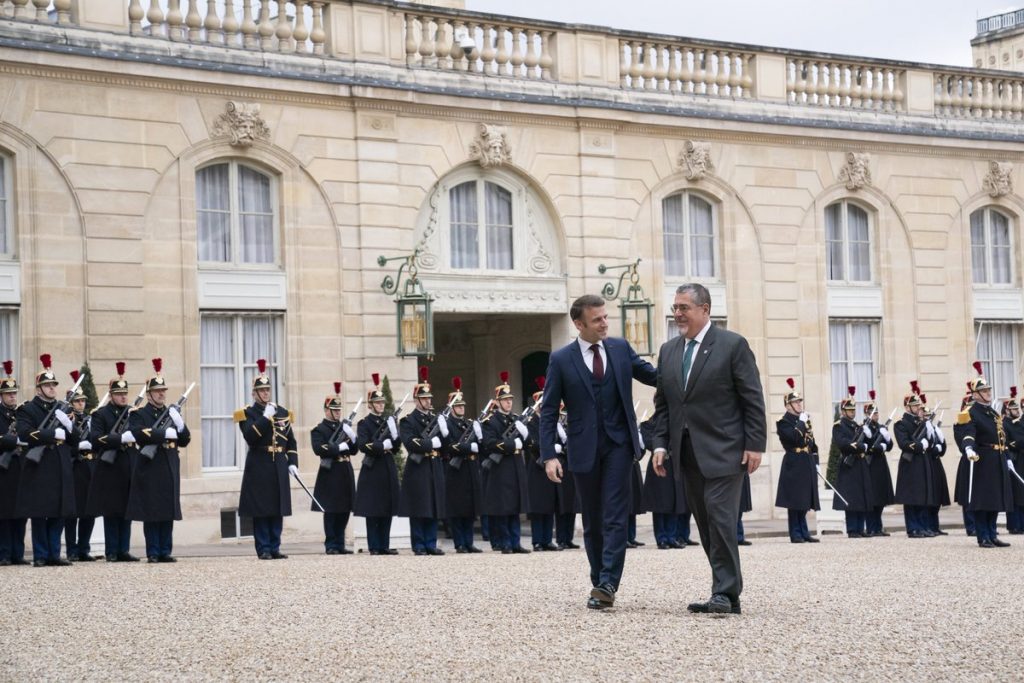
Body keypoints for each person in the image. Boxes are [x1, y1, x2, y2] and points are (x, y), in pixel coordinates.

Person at [652, 284, 766, 616]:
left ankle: (724, 591)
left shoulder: (732, 345)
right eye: (675, 308)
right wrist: (659, 445)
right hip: (686, 454)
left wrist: (755, 444)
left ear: (705, 310)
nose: (678, 314)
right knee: (704, 523)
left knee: (720, 518)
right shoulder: (669, 351)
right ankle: (728, 595)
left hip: (725, 451)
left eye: (684, 307)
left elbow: (752, 399)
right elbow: (664, 407)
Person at [540, 294, 657, 610]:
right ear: (579, 324)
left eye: (606, 317)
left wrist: (688, 374)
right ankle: (599, 580)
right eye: (597, 320)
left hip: (619, 445)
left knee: (615, 514)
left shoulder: (619, 349)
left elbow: (653, 376)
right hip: (583, 448)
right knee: (591, 518)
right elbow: (548, 409)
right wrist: (548, 454)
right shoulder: (562, 360)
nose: (605, 323)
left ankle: (608, 582)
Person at [15, 354, 77, 567]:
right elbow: (24, 433)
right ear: (38, 388)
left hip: (60, 464)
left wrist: (68, 427)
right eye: (47, 385)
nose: (52, 388)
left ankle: (54, 553)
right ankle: (41, 554)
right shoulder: (27, 409)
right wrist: (52, 435)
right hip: (39, 466)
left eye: (53, 384)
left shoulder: (64, 408)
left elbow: (75, 439)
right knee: (40, 511)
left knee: (59, 510)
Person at [127, 358, 191, 563]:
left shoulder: (170, 412)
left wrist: (180, 425)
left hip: (169, 464)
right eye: (157, 391)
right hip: (150, 466)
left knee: (167, 509)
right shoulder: (140, 413)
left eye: (163, 390)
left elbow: (185, 440)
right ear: (149, 394)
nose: (162, 393)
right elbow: (138, 433)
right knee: (152, 510)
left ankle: (165, 550)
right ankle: (153, 551)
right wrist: (163, 434)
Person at [236, 359, 297, 560]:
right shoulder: (247, 413)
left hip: (278, 461)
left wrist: (293, 462)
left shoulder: (281, 411)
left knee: (277, 506)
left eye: (267, 389)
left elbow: (291, 440)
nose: (265, 393)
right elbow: (250, 436)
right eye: (261, 390)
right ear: (254, 393)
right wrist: (265, 417)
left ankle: (275, 545)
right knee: (261, 508)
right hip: (259, 462)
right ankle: (263, 548)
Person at [954, 362, 1013, 548]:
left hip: (997, 459)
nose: (988, 392)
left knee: (995, 499)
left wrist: (1008, 457)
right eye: (984, 390)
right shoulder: (969, 412)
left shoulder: (993, 413)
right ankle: (983, 535)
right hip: (982, 459)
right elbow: (967, 432)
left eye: (988, 389)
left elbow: (1002, 436)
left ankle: (992, 533)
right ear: (975, 394)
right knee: (983, 500)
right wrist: (968, 448)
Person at [87, 362, 140, 562]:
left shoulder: (132, 413)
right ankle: (111, 551)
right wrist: (119, 439)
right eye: (119, 394)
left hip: (128, 465)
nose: (123, 397)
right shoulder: (100, 414)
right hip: (110, 468)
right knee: (111, 511)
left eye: (125, 393)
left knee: (127, 510)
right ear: (111, 395)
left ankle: (123, 549)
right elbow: (96, 439)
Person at [398, 366, 447, 556]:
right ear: (416, 400)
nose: (428, 401)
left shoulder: (436, 419)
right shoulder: (408, 421)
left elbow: (446, 445)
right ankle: (419, 544)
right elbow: (410, 443)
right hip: (418, 467)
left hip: (434, 466)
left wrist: (445, 431)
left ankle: (430, 543)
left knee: (434, 505)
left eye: (429, 398)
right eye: (424, 398)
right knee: (419, 506)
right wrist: (429, 443)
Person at [480, 371, 530, 555]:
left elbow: (529, 444)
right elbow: (489, 443)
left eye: (510, 399)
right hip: (501, 469)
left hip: (516, 467)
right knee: (503, 508)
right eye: (505, 400)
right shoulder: (491, 421)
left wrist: (525, 435)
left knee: (515, 507)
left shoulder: (516, 419)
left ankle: (515, 542)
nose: (509, 402)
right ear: (498, 401)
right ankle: (505, 542)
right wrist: (511, 445)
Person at [354, 374, 401, 556]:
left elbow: (396, 446)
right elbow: (363, 445)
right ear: (370, 405)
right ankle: (374, 545)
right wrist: (382, 445)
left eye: (382, 402)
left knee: (387, 508)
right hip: (373, 469)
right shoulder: (364, 423)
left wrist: (395, 434)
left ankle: (384, 544)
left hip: (387, 466)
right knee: (373, 508)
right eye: (378, 402)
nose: (381, 405)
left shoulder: (387, 421)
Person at [311, 383, 357, 555]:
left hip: (345, 470)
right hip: (330, 472)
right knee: (331, 510)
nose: (338, 412)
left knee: (344, 509)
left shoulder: (343, 427)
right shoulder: (319, 429)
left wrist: (352, 436)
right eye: (334, 410)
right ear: (326, 410)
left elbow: (354, 449)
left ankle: (340, 543)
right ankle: (331, 544)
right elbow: (319, 449)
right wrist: (338, 448)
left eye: (339, 410)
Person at [774, 378, 820, 544]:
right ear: (788, 406)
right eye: (795, 402)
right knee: (795, 500)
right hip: (793, 461)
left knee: (805, 498)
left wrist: (816, 461)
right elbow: (793, 438)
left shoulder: (803, 420)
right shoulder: (783, 422)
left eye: (800, 402)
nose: (799, 405)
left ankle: (804, 531)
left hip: (805, 460)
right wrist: (801, 422)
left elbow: (812, 443)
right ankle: (795, 533)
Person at [442, 377, 483, 553]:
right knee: (458, 509)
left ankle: (469, 541)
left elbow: (481, 445)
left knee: (470, 508)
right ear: (451, 407)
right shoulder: (447, 424)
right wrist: (469, 447)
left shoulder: (469, 423)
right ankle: (459, 543)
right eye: (458, 406)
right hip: (456, 470)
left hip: (469, 469)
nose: (461, 408)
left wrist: (478, 439)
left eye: (463, 406)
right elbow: (449, 446)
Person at [894, 381, 940, 538]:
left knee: (922, 495)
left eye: (919, 406)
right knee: (912, 496)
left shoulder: (921, 422)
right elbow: (904, 444)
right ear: (907, 407)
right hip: (910, 463)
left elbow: (931, 443)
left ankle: (922, 526)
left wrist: (932, 435)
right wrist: (920, 445)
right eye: (915, 406)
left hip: (922, 462)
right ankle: (913, 528)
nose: (918, 408)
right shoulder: (901, 424)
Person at [831, 386, 873, 538]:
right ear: (843, 411)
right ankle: (852, 529)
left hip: (860, 464)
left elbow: (868, 443)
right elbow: (843, 444)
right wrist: (861, 445)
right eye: (849, 410)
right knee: (851, 498)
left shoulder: (857, 426)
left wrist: (868, 437)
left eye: (853, 410)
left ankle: (860, 528)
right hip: (849, 465)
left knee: (861, 496)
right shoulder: (839, 426)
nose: (852, 412)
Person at [64, 372, 97, 561]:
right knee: (72, 512)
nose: (81, 404)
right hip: (74, 466)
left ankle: (84, 548)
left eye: (83, 401)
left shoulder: (90, 420)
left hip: (89, 466)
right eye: (77, 401)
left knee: (89, 511)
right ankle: (71, 550)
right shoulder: (67, 420)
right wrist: (77, 448)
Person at [640, 415, 686, 549]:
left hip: (674, 464)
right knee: (659, 503)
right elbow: (649, 441)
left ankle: (671, 536)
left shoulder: (676, 420)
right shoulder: (649, 424)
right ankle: (661, 538)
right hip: (659, 463)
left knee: (673, 501)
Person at [525, 378, 559, 551]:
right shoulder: (531, 422)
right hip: (537, 466)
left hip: (550, 464)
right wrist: (552, 447)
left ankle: (547, 538)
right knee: (538, 505)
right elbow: (533, 443)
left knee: (549, 503)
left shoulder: (550, 422)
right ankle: (537, 540)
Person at [0, 361, 27, 566]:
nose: (12, 396)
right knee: (4, 514)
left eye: (14, 393)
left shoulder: (21, 413)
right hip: (4, 469)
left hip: (19, 467)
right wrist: (12, 441)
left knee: (20, 513)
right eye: (8, 393)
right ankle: (4, 553)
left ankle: (18, 553)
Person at [863, 391, 895, 536]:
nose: (876, 415)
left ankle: (878, 526)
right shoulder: (864, 427)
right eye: (873, 413)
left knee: (881, 497)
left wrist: (886, 441)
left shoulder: (880, 427)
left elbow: (890, 446)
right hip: (870, 464)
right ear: (867, 414)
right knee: (872, 498)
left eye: (876, 413)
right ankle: (870, 527)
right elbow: (864, 445)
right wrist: (874, 445)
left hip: (880, 464)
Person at [919, 393, 949, 535]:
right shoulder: (921, 428)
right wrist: (932, 448)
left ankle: (935, 526)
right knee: (929, 497)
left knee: (937, 495)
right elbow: (923, 445)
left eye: (929, 415)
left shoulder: (934, 428)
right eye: (926, 416)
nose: (928, 418)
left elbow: (943, 446)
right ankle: (927, 526)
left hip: (936, 463)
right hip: (927, 463)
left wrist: (940, 446)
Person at [552, 401, 579, 550]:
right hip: (561, 464)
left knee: (571, 503)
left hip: (572, 465)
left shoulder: (567, 421)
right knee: (562, 505)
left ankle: (569, 537)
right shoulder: (554, 423)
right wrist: (561, 446)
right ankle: (561, 538)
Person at [952, 384, 977, 536]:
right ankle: (971, 526)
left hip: (982, 460)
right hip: (968, 461)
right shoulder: (959, 426)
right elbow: (962, 444)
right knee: (968, 494)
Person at [1003, 388, 1024, 534]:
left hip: (1021, 459)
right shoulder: (1005, 423)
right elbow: (1009, 443)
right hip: (1013, 460)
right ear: (1007, 410)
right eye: (1013, 409)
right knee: (1015, 495)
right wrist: (1018, 442)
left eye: (1017, 408)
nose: (1017, 411)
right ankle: (1014, 525)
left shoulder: (1019, 423)